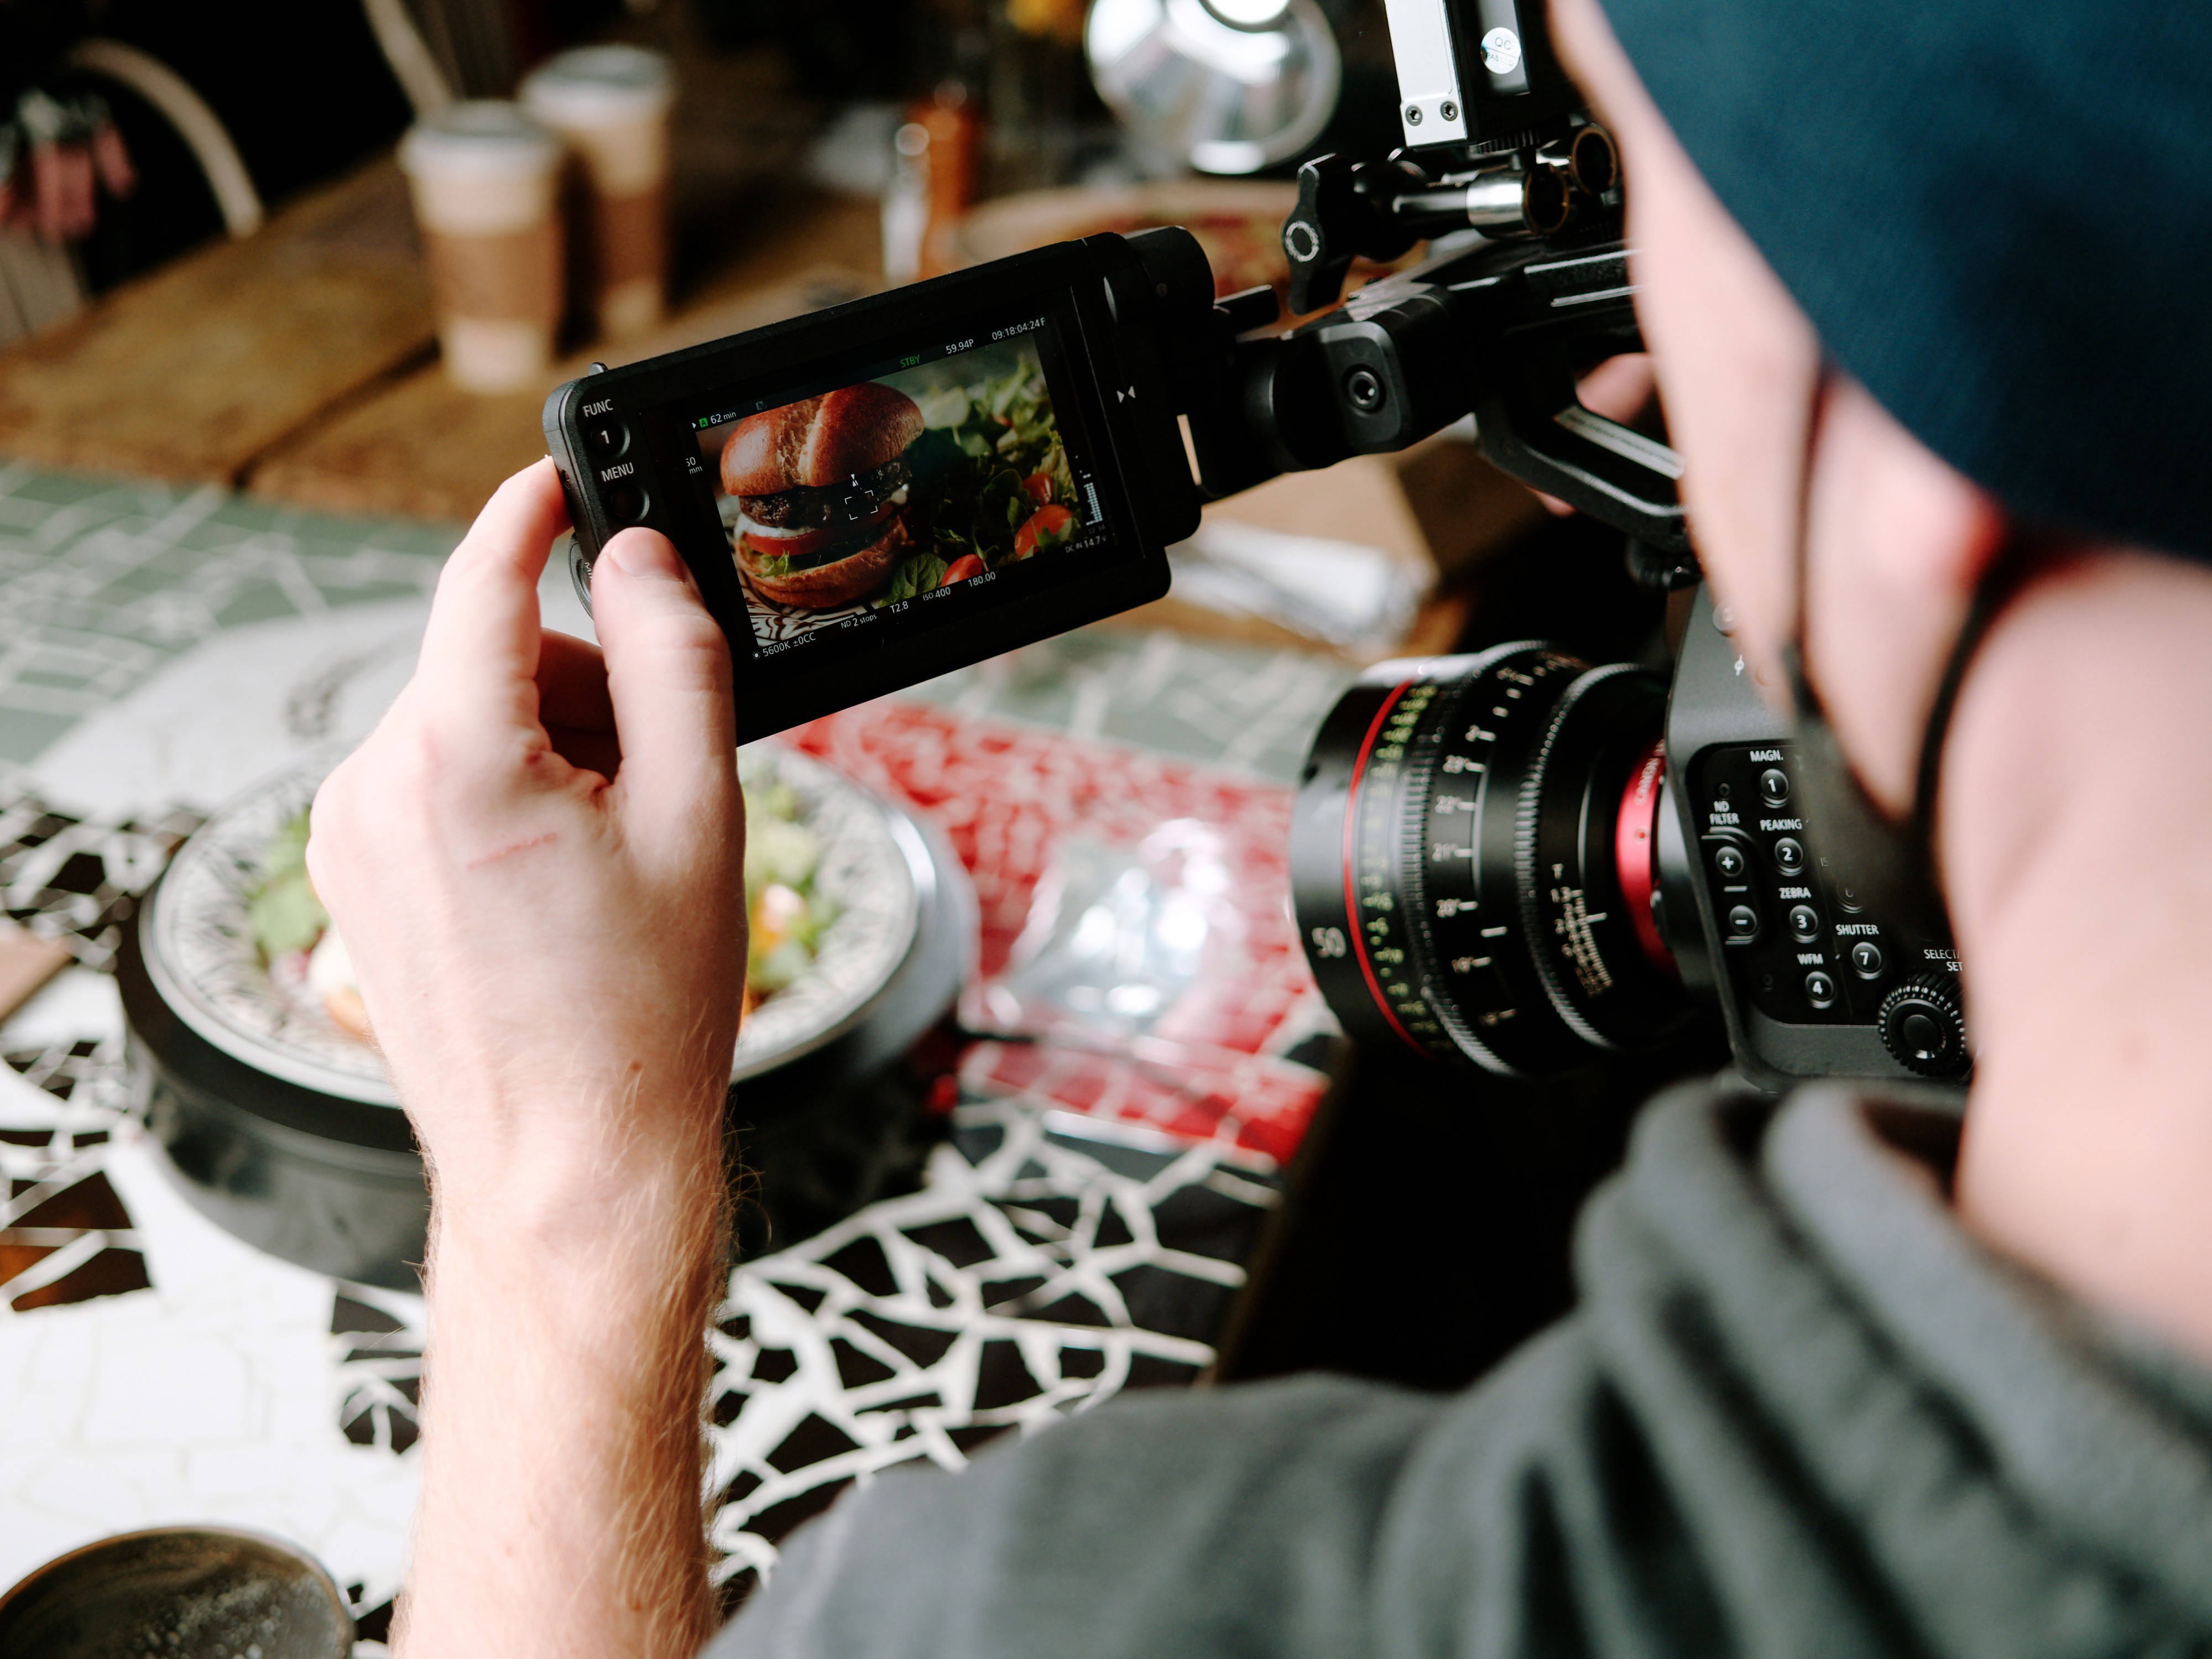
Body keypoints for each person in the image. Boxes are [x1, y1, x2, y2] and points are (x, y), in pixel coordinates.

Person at [304, 0, 2212, 1651]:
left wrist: (566, 1194)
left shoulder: (1072, 1606)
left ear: (1931, 451)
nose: (1633, 366)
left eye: (1668, 206)